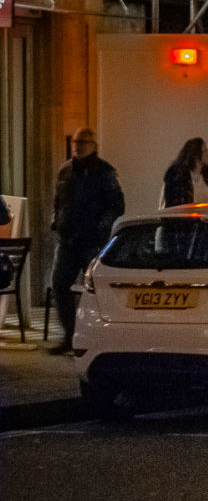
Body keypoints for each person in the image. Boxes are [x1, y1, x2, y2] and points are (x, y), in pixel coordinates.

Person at [51, 127, 124, 354]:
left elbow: (116, 205)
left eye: (83, 142)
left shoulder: (104, 172)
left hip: (91, 240)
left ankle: (98, 335)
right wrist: (56, 220)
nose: (78, 147)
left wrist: (101, 228)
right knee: (60, 284)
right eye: (76, 143)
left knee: (95, 289)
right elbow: (58, 200)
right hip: (68, 239)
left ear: (93, 145)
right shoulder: (66, 170)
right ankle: (70, 335)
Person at [161, 137, 208, 208]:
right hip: (185, 217)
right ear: (196, 155)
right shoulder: (177, 175)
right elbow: (174, 205)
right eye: (205, 150)